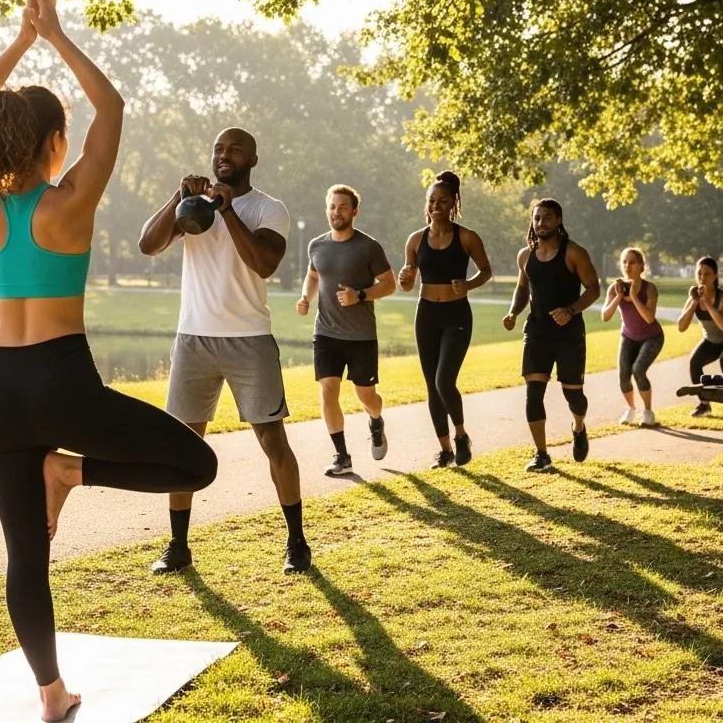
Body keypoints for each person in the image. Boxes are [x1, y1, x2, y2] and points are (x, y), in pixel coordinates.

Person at [0, 0, 217, 723]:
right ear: (53, 142)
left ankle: (51, 694)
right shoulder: (69, 201)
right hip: (62, 382)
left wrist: (19, 42)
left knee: (25, 555)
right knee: (196, 466)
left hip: (0, 388)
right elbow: (113, 108)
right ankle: (70, 470)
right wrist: (54, 35)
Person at [138, 128, 311, 575]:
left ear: (253, 159)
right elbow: (148, 245)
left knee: (273, 441)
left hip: (248, 340)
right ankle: (178, 547)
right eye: (218, 148)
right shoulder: (191, 207)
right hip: (193, 339)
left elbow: (264, 263)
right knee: (183, 445)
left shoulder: (268, 208)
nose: (224, 155)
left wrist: (228, 210)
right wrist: (177, 197)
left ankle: (296, 542)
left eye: (235, 149)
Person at [297, 184, 397, 476]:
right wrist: (305, 297)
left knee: (366, 396)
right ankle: (342, 456)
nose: (336, 212)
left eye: (342, 207)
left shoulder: (368, 247)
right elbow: (313, 276)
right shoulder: (316, 245)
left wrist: (360, 295)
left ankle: (376, 419)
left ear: (355, 211)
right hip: (325, 332)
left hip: (361, 335)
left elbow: (389, 284)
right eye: (332, 206)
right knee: (328, 390)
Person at [398, 171, 492, 467]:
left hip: (456, 315)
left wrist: (468, 284)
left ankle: (461, 436)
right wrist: (405, 278)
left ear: (453, 203)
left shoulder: (467, 237)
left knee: (444, 380)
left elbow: (486, 270)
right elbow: (408, 283)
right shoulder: (415, 240)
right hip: (426, 315)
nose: (435, 205)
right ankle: (445, 449)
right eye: (431, 200)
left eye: (442, 201)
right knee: (432, 385)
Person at [503, 198, 600, 472]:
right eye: (536, 218)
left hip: (569, 335)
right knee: (533, 395)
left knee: (574, 396)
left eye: (546, 217)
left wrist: (571, 310)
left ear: (558, 220)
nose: (541, 223)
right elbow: (523, 289)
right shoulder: (525, 256)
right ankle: (542, 454)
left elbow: (594, 289)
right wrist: (513, 312)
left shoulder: (574, 253)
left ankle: (578, 428)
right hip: (536, 333)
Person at [676, 256, 723, 420]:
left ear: (715, 275)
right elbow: (681, 326)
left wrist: (707, 303)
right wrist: (694, 302)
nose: (702, 277)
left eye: (707, 274)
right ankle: (704, 404)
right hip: (711, 341)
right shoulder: (693, 297)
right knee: (694, 362)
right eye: (699, 273)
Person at [601, 247, 664, 427]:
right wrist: (619, 296)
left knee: (638, 370)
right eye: (624, 262)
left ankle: (648, 412)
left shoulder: (649, 288)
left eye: (632, 262)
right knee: (623, 375)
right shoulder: (615, 288)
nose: (627, 265)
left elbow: (649, 318)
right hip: (628, 336)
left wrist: (634, 297)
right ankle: (631, 408)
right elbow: (605, 316)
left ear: (642, 266)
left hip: (652, 337)